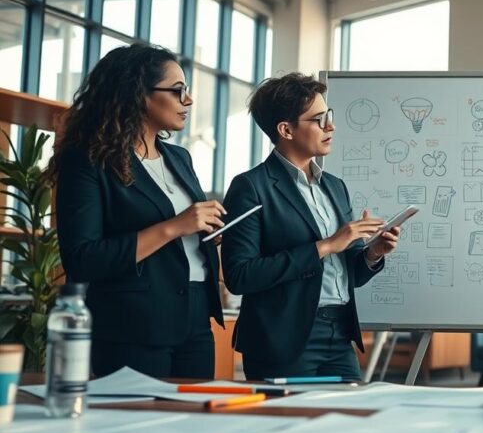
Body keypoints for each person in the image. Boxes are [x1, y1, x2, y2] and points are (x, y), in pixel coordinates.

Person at [51, 44, 226, 378]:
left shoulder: (179, 159)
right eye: (177, 91)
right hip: (132, 325)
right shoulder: (90, 160)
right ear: (138, 95)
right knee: (134, 426)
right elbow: (83, 258)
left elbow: (185, 237)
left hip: (195, 318)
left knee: (197, 428)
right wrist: (175, 226)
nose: (187, 100)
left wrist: (209, 232)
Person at [221, 73, 399, 380]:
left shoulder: (335, 187)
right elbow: (240, 275)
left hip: (340, 334)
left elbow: (348, 275)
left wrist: (372, 254)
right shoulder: (251, 186)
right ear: (286, 129)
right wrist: (325, 245)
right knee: (289, 425)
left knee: (349, 423)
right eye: (318, 120)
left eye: (328, 116)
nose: (331, 126)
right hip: (283, 340)